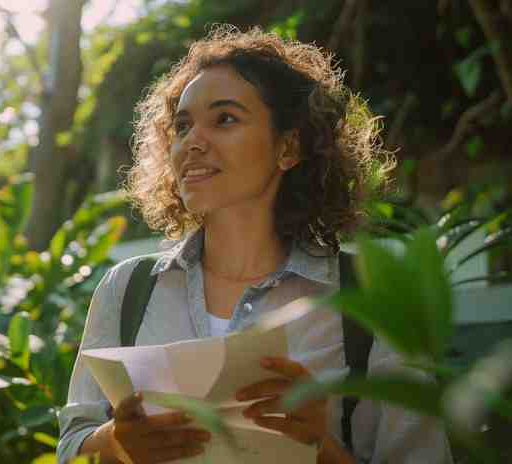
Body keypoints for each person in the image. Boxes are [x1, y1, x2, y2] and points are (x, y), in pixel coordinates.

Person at [57, 25, 452, 464]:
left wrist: (319, 447)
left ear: (289, 147)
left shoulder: (373, 297)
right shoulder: (126, 289)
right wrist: (114, 442)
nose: (192, 142)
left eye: (224, 119)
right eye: (182, 126)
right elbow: (73, 444)